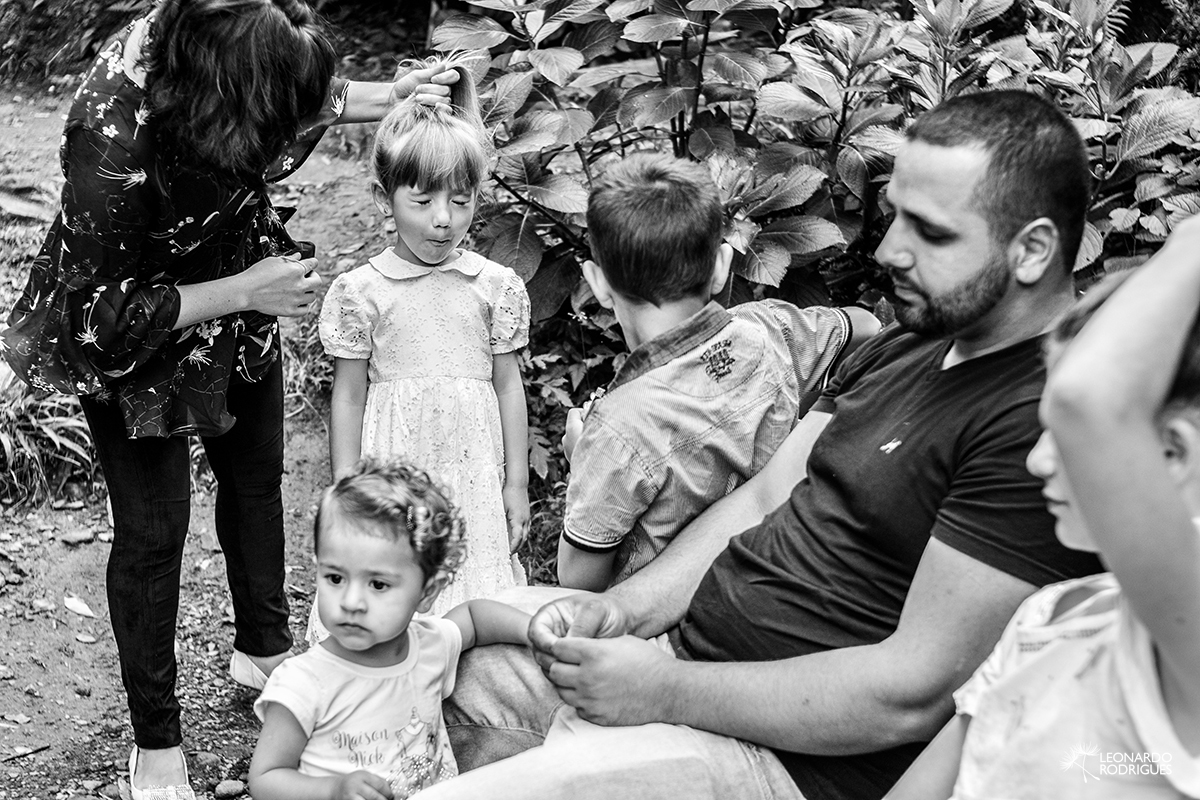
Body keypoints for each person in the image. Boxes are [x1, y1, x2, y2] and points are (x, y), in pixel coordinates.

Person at [424, 89, 1106, 800]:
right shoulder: (911, 340)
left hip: (786, 758)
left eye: (929, 232)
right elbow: (767, 494)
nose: (888, 249)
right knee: (463, 673)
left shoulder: (1039, 425)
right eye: (896, 213)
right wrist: (624, 613)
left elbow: (910, 695)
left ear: (1031, 250)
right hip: (686, 659)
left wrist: (660, 691)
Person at [0, 1, 459, 796]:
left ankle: (264, 648)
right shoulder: (108, 132)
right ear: (222, 98)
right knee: (153, 531)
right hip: (133, 315)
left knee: (256, 476)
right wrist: (248, 290)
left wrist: (399, 93)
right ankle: (156, 742)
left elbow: (305, 92)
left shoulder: (244, 37)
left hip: (237, 270)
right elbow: (102, 321)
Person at [883, 221, 1200, 799]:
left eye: (1060, 433)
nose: (1035, 462)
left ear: (1172, 453)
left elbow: (1092, 397)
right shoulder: (1050, 618)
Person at [556, 151, 877, 591]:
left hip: (669, 628)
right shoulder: (769, 327)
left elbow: (578, 579)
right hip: (782, 579)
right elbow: (868, 326)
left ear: (597, 284)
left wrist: (582, 458)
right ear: (722, 265)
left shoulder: (614, 428)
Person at [315, 59, 530, 620]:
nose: (443, 220)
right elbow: (349, 396)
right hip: (396, 475)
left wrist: (516, 483)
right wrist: (346, 488)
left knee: (474, 607)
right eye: (423, 201)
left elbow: (508, 388)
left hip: (474, 476)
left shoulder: (493, 286)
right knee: (392, 604)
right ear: (385, 197)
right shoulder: (362, 291)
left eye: (461, 202)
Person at [249, 459, 531, 800]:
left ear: (427, 592)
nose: (351, 601)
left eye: (378, 584)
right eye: (335, 578)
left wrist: (533, 630)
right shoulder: (304, 682)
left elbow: (474, 618)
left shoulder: (428, 647)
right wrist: (333, 789)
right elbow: (266, 777)